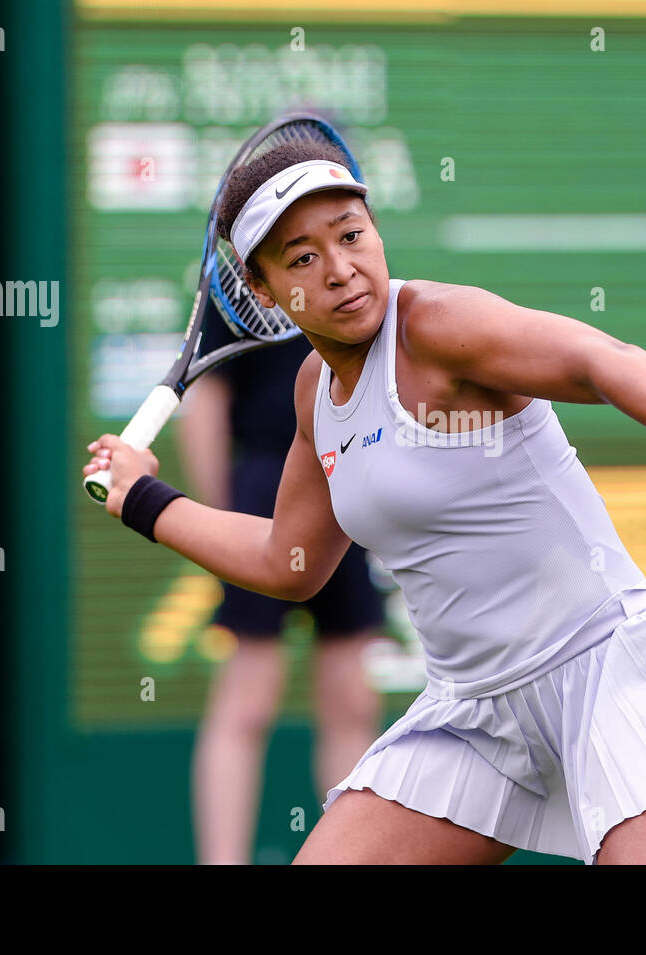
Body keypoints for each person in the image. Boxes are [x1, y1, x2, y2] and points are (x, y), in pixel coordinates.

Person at [83, 139, 646, 865]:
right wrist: (143, 499)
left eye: (351, 234)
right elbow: (288, 562)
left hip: (609, 668)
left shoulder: (438, 324)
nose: (342, 268)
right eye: (303, 257)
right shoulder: (316, 393)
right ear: (264, 290)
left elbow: (598, 359)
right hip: (474, 717)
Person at [177, 330, 385, 866]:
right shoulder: (244, 292)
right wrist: (223, 526)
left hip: (345, 487)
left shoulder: (359, 289)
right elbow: (206, 407)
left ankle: (355, 854)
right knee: (248, 696)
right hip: (262, 495)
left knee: (353, 699)